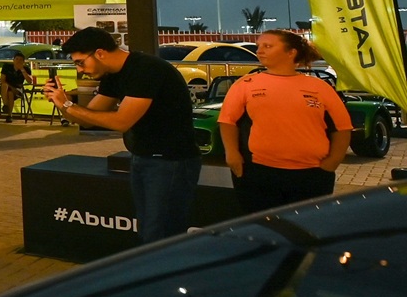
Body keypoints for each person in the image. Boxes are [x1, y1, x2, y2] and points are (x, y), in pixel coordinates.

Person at [46, 27, 200, 244]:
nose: (80, 70)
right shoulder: (112, 75)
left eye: (80, 62)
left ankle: (167, 276)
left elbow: (122, 121)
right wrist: (61, 103)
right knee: (148, 230)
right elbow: (87, 119)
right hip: (143, 158)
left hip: (171, 162)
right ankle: (152, 274)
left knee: (161, 234)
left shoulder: (146, 69)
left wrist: (69, 105)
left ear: (99, 53)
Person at [218, 29, 351, 213]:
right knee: (265, 230)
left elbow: (342, 128)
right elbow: (227, 121)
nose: (260, 51)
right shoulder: (246, 84)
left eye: (268, 46)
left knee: (306, 230)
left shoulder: (319, 87)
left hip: (311, 175)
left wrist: (333, 161)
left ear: (291, 52)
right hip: (258, 173)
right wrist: (232, 154)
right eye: (259, 46)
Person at [0, 52, 31, 120]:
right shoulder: (6, 67)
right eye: (16, 59)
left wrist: (22, 70)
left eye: (20, 60)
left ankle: (9, 114)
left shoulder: (26, 69)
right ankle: (6, 106)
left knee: (11, 93)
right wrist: (11, 87)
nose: (18, 61)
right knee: (5, 86)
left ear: (23, 62)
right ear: (13, 60)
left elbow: (30, 81)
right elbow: (2, 80)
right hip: (5, 88)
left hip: (18, 89)